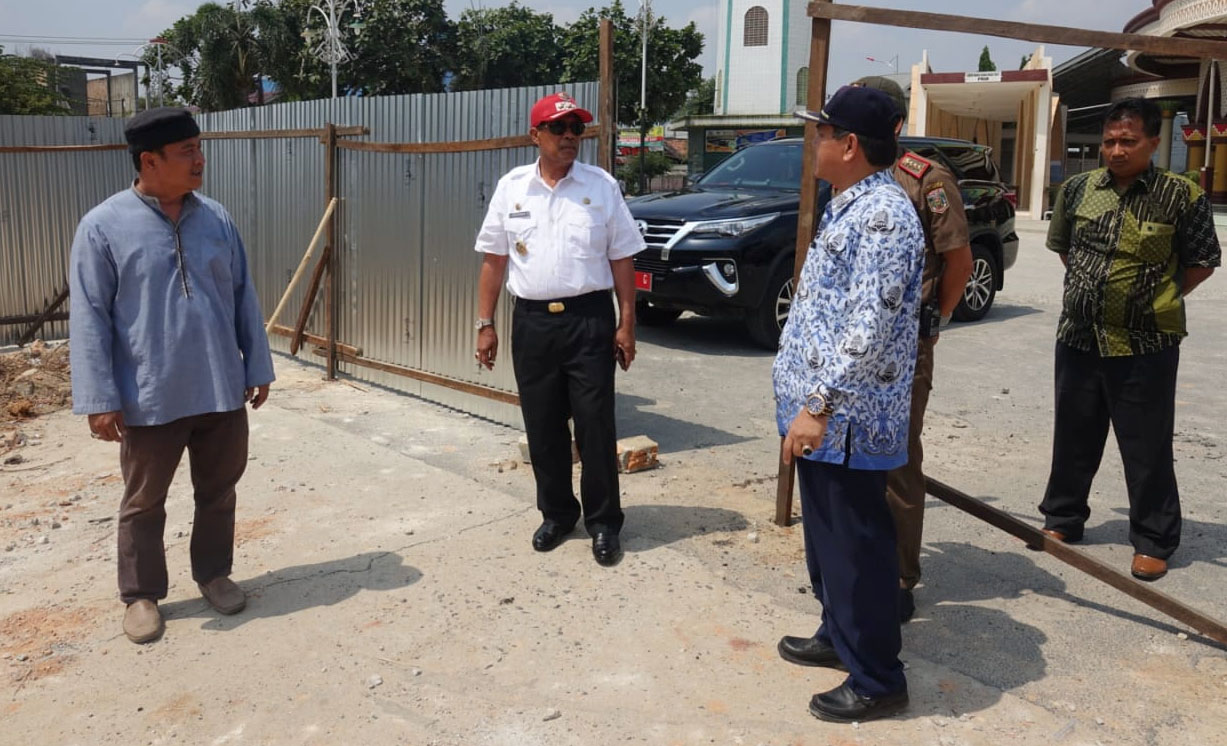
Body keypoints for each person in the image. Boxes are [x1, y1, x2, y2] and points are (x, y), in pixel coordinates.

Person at [69, 107, 275, 644]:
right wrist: (98, 396)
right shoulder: (103, 226)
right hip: (148, 394)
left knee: (219, 489)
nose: (199, 159)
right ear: (149, 160)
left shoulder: (216, 218)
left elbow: (242, 297)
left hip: (219, 386)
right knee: (143, 501)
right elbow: (89, 316)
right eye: (187, 151)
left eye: (198, 148)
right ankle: (141, 595)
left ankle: (213, 573)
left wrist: (256, 364)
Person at [772, 86, 925, 723]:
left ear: (850, 144)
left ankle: (878, 679)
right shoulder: (850, 204)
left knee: (857, 543)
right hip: (825, 413)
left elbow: (869, 328)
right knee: (829, 540)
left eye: (823, 132)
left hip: (847, 418)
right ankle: (839, 634)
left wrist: (819, 406)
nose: (816, 143)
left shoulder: (884, 215)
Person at [1037, 97, 1219, 581]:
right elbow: (1064, 249)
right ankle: (1063, 518)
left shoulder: (1183, 196)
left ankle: (1154, 539)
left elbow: (1202, 261)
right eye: (1110, 141)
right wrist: (1095, 291)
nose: (1116, 150)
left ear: (1154, 143)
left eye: (1129, 141)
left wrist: (1153, 297)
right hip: (1078, 336)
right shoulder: (1077, 189)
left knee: (1146, 444)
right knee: (1074, 432)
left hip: (1146, 344)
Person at [473, 92, 644, 567]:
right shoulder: (512, 188)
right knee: (543, 425)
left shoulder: (601, 186)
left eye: (577, 129)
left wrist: (627, 324)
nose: (570, 136)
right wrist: (485, 324)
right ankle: (557, 513)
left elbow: (623, 258)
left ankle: (604, 522)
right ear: (536, 136)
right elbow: (493, 260)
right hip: (531, 322)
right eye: (559, 128)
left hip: (589, 320)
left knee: (594, 424)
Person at [853, 76, 974, 622]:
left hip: (903, 347)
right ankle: (854, 565)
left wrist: (932, 322)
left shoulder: (924, 179)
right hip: (851, 344)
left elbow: (959, 262)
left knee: (897, 455)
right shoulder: (848, 175)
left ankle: (900, 576)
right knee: (849, 453)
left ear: (895, 125)